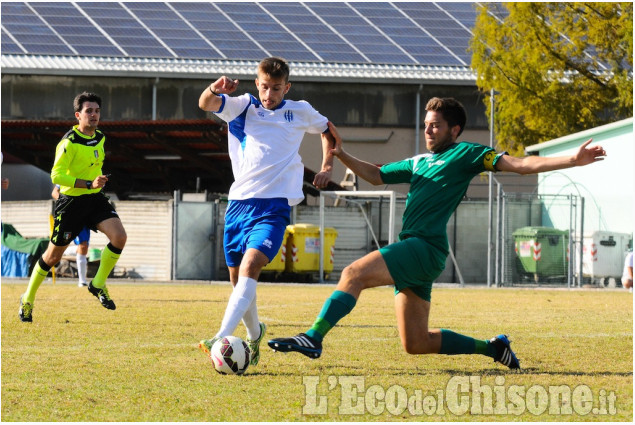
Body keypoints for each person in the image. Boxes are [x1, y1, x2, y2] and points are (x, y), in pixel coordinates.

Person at [268, 97, 607, 369]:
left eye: (436, 126)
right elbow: (375, 175)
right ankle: (492, 348)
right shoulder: (418, 162)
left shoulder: (468, 153)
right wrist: (342, 154)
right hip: (420, 252)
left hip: (424, 246)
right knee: (416, 344)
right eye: (427, 125)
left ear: (454, 129)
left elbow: (520, 165)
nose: (428, 131)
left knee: (352, 273)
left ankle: (313, 337)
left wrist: (571, 160)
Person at [197, 57, 336, 366]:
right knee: (238, 283)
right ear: (256, 84)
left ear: (286, 87)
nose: (269, 94)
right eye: (264, 87)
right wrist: (214, 88)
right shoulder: (242, 106)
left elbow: (329, 131)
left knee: (250, 267)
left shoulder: (299, 111)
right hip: (238, 205)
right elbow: (206, 103)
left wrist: (327, 167)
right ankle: (255, 333)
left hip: (273, 207)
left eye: (276, 88)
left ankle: (220, 335)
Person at [19, 92, 127, 322]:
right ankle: (27, 299)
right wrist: (87, 183)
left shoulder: (100, 137)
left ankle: (97, 284)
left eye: (97, 111)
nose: (94, 115)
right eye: (89, 111)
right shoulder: (68, 142)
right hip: (71, 204)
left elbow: (92, 166)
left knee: (119, 237)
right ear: (78, 115)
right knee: (53, 256)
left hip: (95, 199)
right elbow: (56, 175)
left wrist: (96, 182)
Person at [52, 184, 91, 287]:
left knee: (84, 246)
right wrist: (67, 203)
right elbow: (55, 192)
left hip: (85, 215)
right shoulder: (67, 172)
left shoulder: (90, 172)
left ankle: (82, 281)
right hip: (70, 217)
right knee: (61, 245)